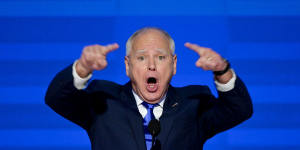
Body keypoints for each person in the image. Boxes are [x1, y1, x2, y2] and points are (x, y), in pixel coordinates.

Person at [45, 27, 253, 150]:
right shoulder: (103, 102)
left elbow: (239, 109)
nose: (151, 65)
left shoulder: (194, 104)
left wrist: (222, 70)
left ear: (174, 65)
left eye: (161, 57)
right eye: (142, 57)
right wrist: (82, 67)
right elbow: (56, 98)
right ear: (128, 65)